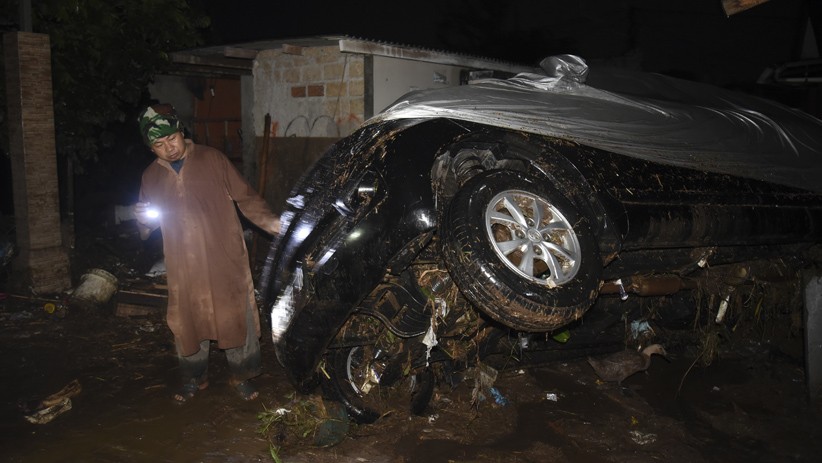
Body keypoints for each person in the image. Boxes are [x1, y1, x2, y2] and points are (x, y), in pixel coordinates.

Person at [133, 104, 280, 404]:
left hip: (222, 257)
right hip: (183, 264)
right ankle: (194, 378)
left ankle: (241, 375)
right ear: (151, 149)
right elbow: (147, 226)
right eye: (159, 145)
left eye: (171, 138)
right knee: (188, 321)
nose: (169, 148)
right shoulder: (150, 177)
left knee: (233, 317)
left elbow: (247, 198)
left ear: (181, 132)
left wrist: (276, 226)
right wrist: (141, 219)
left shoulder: (212, 159)